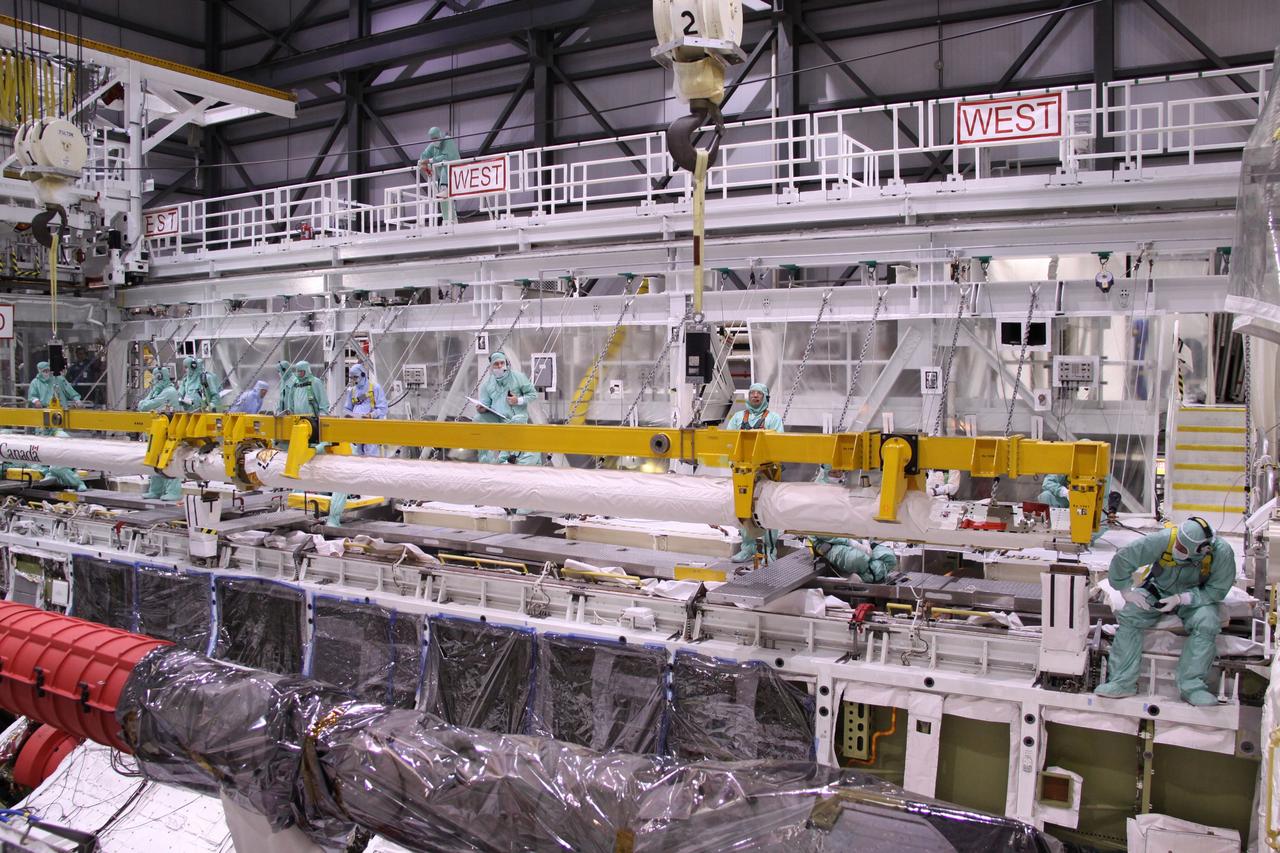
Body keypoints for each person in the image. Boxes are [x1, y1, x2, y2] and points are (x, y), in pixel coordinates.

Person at [1094, 517, 1235, 706]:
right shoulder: (1165, 539)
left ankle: (1192, 687)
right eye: (1178, 543)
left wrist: (1182, 599)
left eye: (1183, 548)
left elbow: (1217, 590)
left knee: (1207, 622)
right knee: (1130, 615)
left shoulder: (1222, 553)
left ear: (1203, 549)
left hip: (1195, 597)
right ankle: (1121, 682)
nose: (1177, 547)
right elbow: (1125, 557)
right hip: (1158, 590)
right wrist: (1125, 590)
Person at [726, 382, 784, 562]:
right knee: (743, 509)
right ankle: (748, 548)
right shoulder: (738, 418)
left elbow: (779, 443)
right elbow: (728, 441)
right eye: (752, 393)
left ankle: (770, 551)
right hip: (743, 472)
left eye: (759, 393)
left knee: (767, 509)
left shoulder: (773, 419)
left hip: (767, 474)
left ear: (765, 397)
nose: (755, 396)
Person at [329, 365, 389, 526]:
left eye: (356, 377)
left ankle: (373, 486)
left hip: (370, 427)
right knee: (357, 455)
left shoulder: (375, 388)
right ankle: (360, 486)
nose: (354, 380)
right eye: (352, 378)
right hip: (356, 427)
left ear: (363, 375)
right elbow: (347, 407)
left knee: (371, 455)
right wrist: (349, 415)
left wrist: (371, 415)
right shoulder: (352, 391)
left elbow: (383, 408)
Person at [475, 352, 540, 466]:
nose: (500, 366)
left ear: (507, 363)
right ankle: (485, 460)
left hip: (516, 419)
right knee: (478, 418)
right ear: (491, 366)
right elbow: (485, 404)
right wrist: (482, 409)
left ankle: (506, 459)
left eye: (502, 363)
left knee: (516, 420)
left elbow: (533, 394)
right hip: (498, 418)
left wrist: (518, 400)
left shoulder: (518, 377)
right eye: (496, 364)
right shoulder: (487, 384)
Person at [137, 367, 183, 500]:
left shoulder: (169, 392)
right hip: (157, 431)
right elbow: (143, 405)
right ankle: (155, 490)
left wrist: (145, 402)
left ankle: (173, 491)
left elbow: (146, 405)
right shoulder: (158, 391)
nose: (154, 380)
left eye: (156, 377)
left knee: (168, 461)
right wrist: (151, 395)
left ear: (160, 377)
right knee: (154, 460)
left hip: (169, 432)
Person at [418, 126, 461, 224]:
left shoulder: (447, 141)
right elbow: (423, 157)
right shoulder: (433, 146)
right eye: (432, 139)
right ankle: (448, 219)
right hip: (442, 177)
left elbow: (447, 156)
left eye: (436, 138)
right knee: (443, 199)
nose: (435, 141)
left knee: (444, 162)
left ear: (440, 135)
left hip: (455, 172)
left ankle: (444, 188)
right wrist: (424, 165)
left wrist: (430, 161)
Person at [809, 537, 897, 583]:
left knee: (890, 557)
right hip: (833, 547)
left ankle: (866, 575)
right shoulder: (818, 518)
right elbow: (829, 536)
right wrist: (852, 543)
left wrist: (865, 541)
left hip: (858, 540)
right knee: (857, 559)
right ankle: (869, 575)